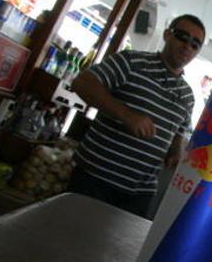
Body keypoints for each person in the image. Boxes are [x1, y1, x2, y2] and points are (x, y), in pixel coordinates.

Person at [68, 14, 204, 217]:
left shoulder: (187, 95)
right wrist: (126, 114)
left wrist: (176, 149)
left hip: (139, 194)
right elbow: (82, 83)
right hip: (95, 178)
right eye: (182, 37)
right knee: (70, 234)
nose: (187, 46)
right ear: (167, 35)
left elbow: (179, 131)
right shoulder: (131, 62)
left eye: (195, 44)